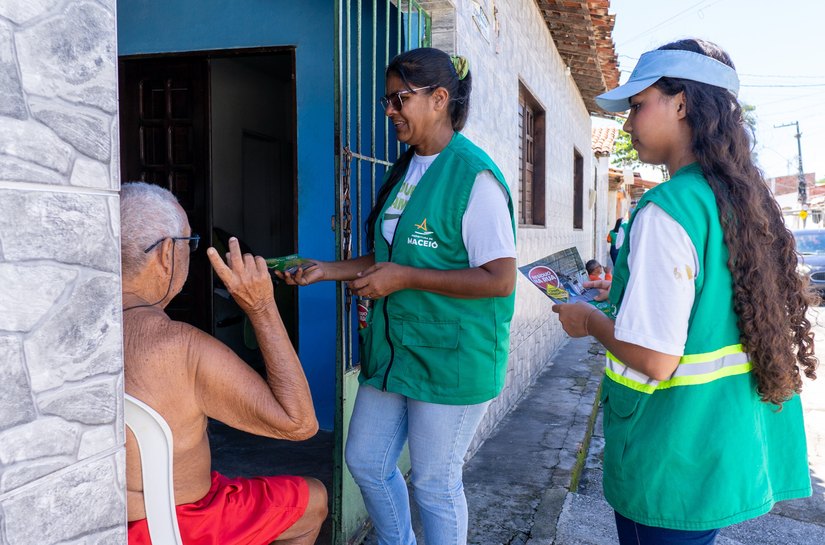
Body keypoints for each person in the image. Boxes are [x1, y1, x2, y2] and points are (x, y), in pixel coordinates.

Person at [552, 39, 816, 545]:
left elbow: (655, 358)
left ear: (680, 104)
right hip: (716, 447)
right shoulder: (739, 200)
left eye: (637, 105)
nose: (627, 125)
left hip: (668, 458)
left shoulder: (666, 208)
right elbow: (706, 307)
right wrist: (621, 295)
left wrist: (588, 320)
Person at [279, 47, 516, 544]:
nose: (389, 111)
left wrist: (405, 278)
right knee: (366, 460)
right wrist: (326, 271)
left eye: (399, 99)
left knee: (435, 483)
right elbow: (390, 255)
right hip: (396, 352)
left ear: (439, 99)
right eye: (387, 101)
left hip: (451, 359)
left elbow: (499, 278)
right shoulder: (407, 169)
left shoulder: (474, 178)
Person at [120, 182, 327, 545]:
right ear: (166, 254)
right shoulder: (182, 347)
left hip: (96, 522)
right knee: (314, 498)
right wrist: (261, 307)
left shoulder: (62, 330)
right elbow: (300, 423)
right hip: (174, 525)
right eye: (189, 244)